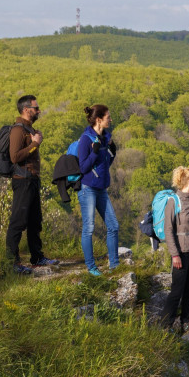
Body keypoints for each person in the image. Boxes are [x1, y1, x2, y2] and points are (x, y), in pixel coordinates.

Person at [6, 94, 59, 274]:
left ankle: (37, 258)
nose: (39, 111)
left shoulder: (29, 129)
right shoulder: (18, 130)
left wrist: (35, 140)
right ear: (26, 109)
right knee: (18, 221)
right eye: (36, 108)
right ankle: (12, 262)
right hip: (23, 181)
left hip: (33, 180)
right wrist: (35, 144)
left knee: (35, 221)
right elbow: (15, 157)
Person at [162, 166, 189, 330]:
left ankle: (186, 320)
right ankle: (165, 324)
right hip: (181, 253)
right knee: (177, 290)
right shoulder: (174, 201)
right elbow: (168, 230)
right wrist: (175, 255)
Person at [76, 104, 119, 276]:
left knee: (113, 226)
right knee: (89, 228)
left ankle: (115, 265)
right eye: (108, 117)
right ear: (99, 120)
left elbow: (105, 164)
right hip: (88, 188)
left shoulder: (105, 137)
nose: (111, 119)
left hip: (101, 187)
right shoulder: (86, 139)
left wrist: (113, 152)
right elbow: (83, 167)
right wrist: (94, 153)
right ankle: (91, 267)